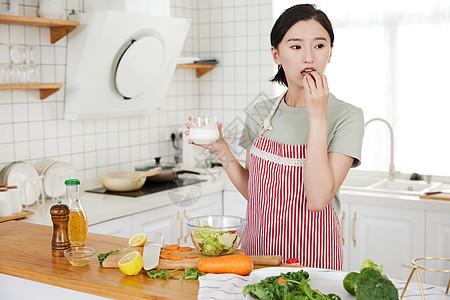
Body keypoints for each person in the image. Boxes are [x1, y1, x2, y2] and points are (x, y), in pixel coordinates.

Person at [186, 4, 364, 270]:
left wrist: (317, 117)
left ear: (330, 53)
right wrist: (222, 149)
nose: (309, 58)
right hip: (258, 253)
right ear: (276, 54)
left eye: (319, 46)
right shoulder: (259, 113)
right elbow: (255, 192)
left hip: (313, 260)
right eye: (295, 47)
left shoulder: (347, 116)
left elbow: (317, 200)